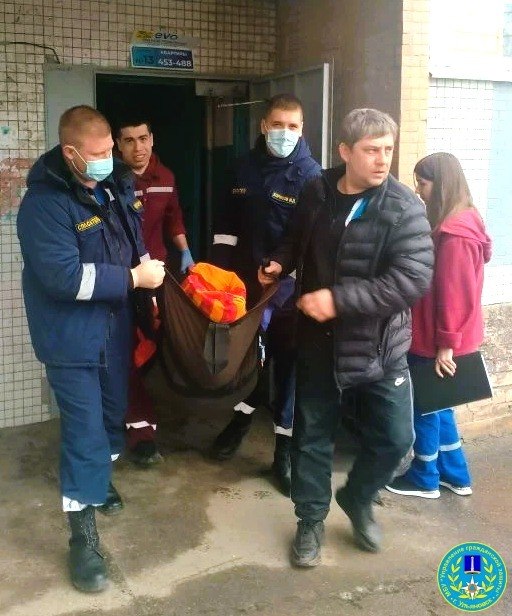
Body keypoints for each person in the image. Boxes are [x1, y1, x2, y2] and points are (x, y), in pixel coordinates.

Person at [258, 108, 434, 566]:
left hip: (380, 346)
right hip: (319, 341)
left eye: (388, 149)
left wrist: (338, 300)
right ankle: (310, 521)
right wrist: (280, 261)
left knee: (397, 439)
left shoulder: (404, 208)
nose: (383, 160)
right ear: (345, 152)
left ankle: (357, 496)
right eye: (371, 150)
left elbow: (411, 280)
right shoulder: (317, 191)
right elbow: (296, 238)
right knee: (312, 437)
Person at [17, 105, 165, 592]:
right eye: (97, 154)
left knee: (112, 418)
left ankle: (98, 480)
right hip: (70, 338)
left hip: (114, 329)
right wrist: (133, 279)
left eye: (108, 151)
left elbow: (132, 241)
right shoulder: (44, 205)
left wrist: (149, 282)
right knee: (83, 433)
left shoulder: (111, 187)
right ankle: (82, 540)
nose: (107, 159)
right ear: (71, 153)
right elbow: (63, 278)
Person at [210, 93, 321, 495]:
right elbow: (225, 226)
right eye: (277, 125)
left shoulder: (312, 177)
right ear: (263, 126)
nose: (284, 133)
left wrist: (282, 269)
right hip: (243, 288)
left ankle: (283, 452)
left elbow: (309, 241)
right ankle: (239, 421)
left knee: (287, 367)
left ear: (302, 130)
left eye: (292, 127)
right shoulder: (242, 168)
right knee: (247, 362)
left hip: (289, 291)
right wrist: (219, 275)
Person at [385, 153, 492, 499]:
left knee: (425, 406)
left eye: (423, 183)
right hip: (446, 336)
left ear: (442, 183)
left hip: (437, 339)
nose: (418, 190)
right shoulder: (464, 220)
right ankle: (456, 475)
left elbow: (453, 294)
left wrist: (445, 344)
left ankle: (424, 477)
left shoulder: (455, 234)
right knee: (442, 404)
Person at [115, 118, 194, 466]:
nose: (138, 147)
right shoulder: (110, 180)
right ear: (118, 145)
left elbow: (173, 219)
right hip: (122, 278)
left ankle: (154, 413)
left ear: (152, 138)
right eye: (129, 140)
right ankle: (140, 430)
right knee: (128, 349)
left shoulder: (166, 177)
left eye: (143, 138)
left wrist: (186, 251)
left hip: (159, 277)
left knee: (159, 345)